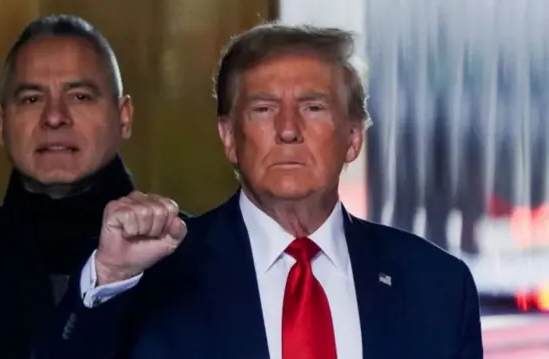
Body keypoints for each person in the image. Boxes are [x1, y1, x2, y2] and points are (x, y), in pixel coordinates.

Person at [34, 23, 483, 359]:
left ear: (352, 137)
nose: (288, 130)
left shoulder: (437, 287)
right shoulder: (154, 278)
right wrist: (109, 278)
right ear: (229, 137)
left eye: (313, 106)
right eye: (265, 108)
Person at [0, 15, 188, 359]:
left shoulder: (200, 260)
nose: (54, 117)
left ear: (124, 116)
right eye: (31, 99)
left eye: (80, 96)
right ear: (1, 123)